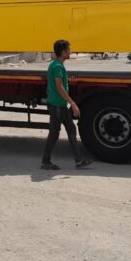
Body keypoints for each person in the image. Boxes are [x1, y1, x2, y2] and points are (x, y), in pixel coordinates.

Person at [41, 39, 93, 170]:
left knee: (70, 129)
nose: (71, 52)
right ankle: (46, 161)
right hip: (58, 106)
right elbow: (59, 87)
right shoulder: (57, 66)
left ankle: (78, 160)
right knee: (55, 133)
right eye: (69, 49)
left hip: (59, 105)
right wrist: (73, 103)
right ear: (63, 52)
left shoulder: (55, 64)